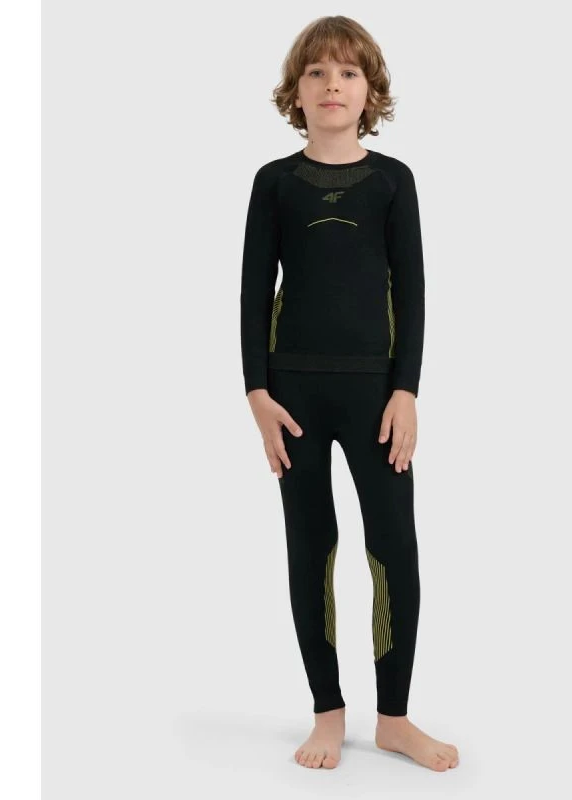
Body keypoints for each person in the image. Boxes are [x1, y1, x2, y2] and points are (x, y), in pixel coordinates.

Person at [240, 15, 459, 772]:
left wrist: (407, 391)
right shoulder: (274, 183)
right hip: (292, 398)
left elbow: (414, 292)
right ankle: (327, 711)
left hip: (375, 397)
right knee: (312, 546)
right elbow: (252, 292)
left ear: (371, 92)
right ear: (296, 92)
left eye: (348, 72)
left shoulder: (393, 182)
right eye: (317, 73)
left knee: (393, 545)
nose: (332, 85)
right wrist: (257, 394)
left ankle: (394, 718)